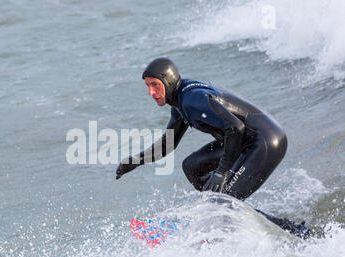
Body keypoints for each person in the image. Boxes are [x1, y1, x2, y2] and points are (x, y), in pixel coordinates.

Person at [116, 57, 313, 239]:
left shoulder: (193, 100)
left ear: (167, 82)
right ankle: (218, 216)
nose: (151, 92)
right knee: (192, 167)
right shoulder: (179, 103)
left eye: (155, 86)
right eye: (148, 86)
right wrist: (135, 161)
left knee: (225, 200)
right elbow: (166, 145)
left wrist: (222, 171)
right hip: (245, 140)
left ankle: (296, 232)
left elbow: (236, 127)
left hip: (265, 141)